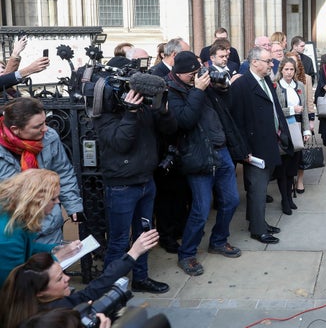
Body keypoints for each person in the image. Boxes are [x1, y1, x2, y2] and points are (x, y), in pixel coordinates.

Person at [92, 49, 176, 294]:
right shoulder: (103, 115)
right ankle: (110, 289)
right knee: (119, 241)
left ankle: (141, 278)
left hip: (146, 181)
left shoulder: (144, 108)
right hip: (121, 185)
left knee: (145, 235)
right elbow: (120, 143)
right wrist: (129, 113)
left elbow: (170, 129)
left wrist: (163, 108)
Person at [167, 51, 247, 275]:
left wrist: (221, 87)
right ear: (180, 73)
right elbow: (184, 121)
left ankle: (219, 241)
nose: (196, 76)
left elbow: (224, 108)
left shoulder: (202, 85)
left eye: (197, 72)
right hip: (198, 155)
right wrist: (197, 91)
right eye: (191, 74)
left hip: (221, 151)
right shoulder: (172, 90)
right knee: (201, 209)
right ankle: (187, 254)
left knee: (231, 200)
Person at [0, 231, 159, 328]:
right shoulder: (59, 310)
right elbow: (95, 288)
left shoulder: (16, 306)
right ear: (40, 294)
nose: (68, 278)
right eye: (59, 279)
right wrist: (133, 254)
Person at [0, 97, 84, 244]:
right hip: (12, 231)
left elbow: (63, 172)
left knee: (51, 265)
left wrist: (73, 206)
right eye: (37, 126)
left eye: (44, 122)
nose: (45, 128)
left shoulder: (49, 137)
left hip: (48, 226)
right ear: (15, 129)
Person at [231, 47, 292, 244]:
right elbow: (236, 121)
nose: (271, 64)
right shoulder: (241, 85)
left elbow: (274, 108)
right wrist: (244, 151)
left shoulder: (265, 80)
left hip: (270, 141)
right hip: (255, 148)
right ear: (254, 62)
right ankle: (258, 230)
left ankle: (257, 222)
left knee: (260, 187)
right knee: (257, 189)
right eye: (268, 61)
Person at [0, 170, 81, 286]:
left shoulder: (14, 219)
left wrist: (55, 249)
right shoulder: (8, 235)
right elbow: (14, 284)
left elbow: (28, 248)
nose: (58, 202)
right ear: (36, 201)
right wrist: (57, 258)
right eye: (53, 199)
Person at [274, 56, 311, 214]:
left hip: (297, 127)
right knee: (283, 166)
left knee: (293, 167)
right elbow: (274, 112)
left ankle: (289, 196)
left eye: (291, 69)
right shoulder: (275, 86)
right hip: (283, 129)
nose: (289, 72)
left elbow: (304, 111)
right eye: (286, 69)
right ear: (281, 70)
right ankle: (285, 199)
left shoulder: (300, 85)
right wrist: (291, 110)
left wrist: (306, 129)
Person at [284, 50, 315, 193]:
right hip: (288, 122)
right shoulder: (280, 82)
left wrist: (311, 121)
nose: (291, 67)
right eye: (289, 62)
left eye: (294, 62)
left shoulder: (306, 79)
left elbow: (309, 101)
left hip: (302, 120)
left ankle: (300, 180)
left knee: (301, 152)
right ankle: (289, 179)